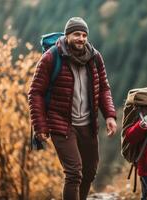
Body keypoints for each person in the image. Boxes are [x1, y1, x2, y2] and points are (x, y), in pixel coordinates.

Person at [28, 17, 117, 200]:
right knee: (74, 173)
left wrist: (109, 115)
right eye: (77, 34)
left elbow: (104, 88)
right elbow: (35, 92)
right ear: (67, 35)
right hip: (61, 123)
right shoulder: (51, 57)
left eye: (84, 35)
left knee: (89, 172)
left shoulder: (94, 57)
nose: (81, 38)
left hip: (88, 124)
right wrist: (40, 126)